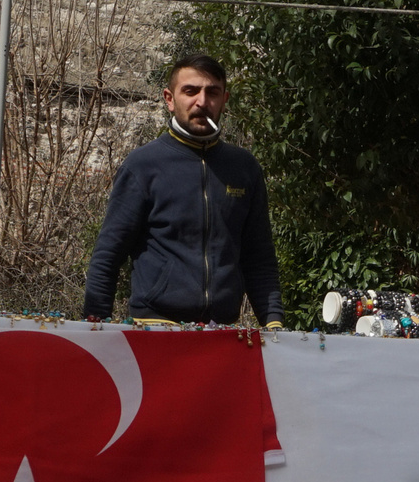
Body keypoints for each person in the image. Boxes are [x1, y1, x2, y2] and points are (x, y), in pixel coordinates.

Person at [83, 54, 286, 328]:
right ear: (169, 99)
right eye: (190, 91)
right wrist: (95, 326)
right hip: (154, 330)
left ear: (224, 100)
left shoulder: (244, 168)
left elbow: (259, 258)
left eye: (212, 92)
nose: (202, 102)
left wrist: (274, 325)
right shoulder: (143, 166)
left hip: (221, 333)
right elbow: (108, 254)